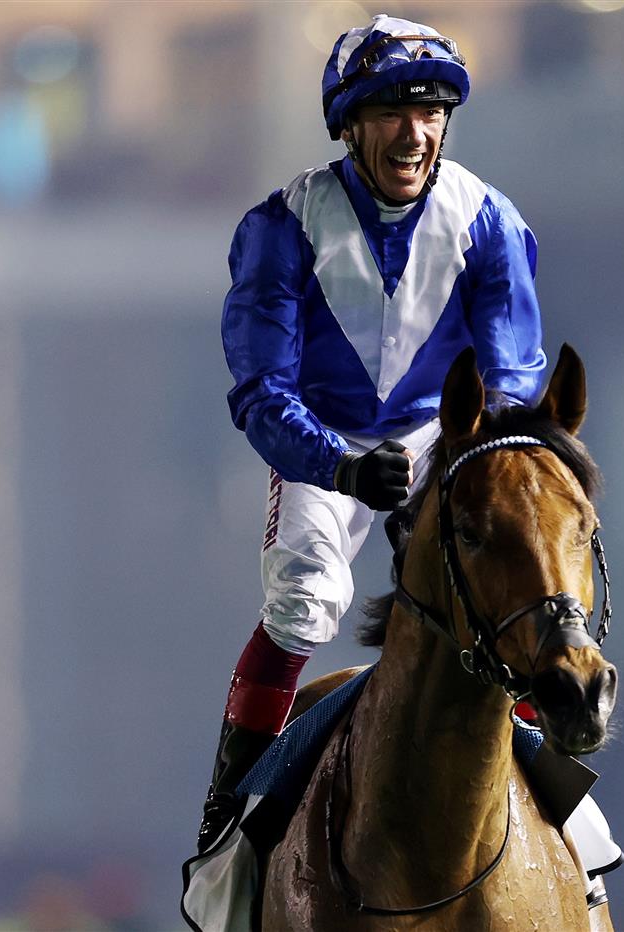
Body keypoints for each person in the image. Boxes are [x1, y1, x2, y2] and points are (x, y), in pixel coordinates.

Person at [197, 14, 547, 854]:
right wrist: (344, 467)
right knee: (305, 600)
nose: (415, 133)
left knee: (511, 577)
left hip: (441, 435)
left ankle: (561, 811)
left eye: (430, 112)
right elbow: (260, 392)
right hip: (323, 439)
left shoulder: (489, 220)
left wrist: (473, 450)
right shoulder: (280, 227)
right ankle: (230, 819)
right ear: (349, 124)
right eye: (392, 111)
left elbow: (515, 373)